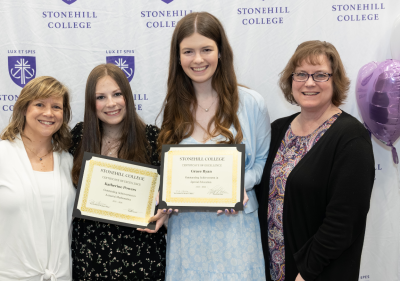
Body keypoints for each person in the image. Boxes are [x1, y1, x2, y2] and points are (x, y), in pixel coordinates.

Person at [157, 12, 270, 280]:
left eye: (206, 49)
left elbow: (264, 162)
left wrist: (239, 184)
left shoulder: (251, 103)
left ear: (220, 52)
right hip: (187, 231)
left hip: (236, 229)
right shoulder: (173, 108)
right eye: (188, 51)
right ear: (178, 57)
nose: (197, 59)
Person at [255, 40, 375, 281]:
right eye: (301, 74)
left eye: (320, 75)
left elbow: (344, 221)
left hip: (317, 273)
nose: (309, 83)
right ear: (291, 80)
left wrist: (306, 273)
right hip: (272, 270)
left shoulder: (351, 137)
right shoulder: (277, 129)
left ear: (335, 80)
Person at [0, 76, 76, 281]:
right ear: (24, 109)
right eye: (40, 104)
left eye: (56, 107)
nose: (48, 113)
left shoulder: (69, 162)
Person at [69, 63, 167, 280]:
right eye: (100, 97)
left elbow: (173, 192)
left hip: (142, 257)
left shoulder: (153, 139)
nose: (111, 103)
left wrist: (166, 209)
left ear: (128, 97)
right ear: (90, 103)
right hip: (90, 258)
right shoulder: (79, 137)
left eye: (117, 94)